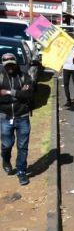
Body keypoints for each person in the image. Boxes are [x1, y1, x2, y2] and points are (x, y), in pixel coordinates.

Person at [0, 53, 34, 186]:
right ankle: (6, 160)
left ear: (16, 63)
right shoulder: (1, 76)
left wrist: (9, 92)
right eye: (7, 65)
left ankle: (21, 171)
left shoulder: (24, 76)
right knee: (7, 144)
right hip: (5, 116)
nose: (10, 67)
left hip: (22, 116)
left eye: (12, 65)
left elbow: (30, 94)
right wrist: (20, 94)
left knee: (23, 146)